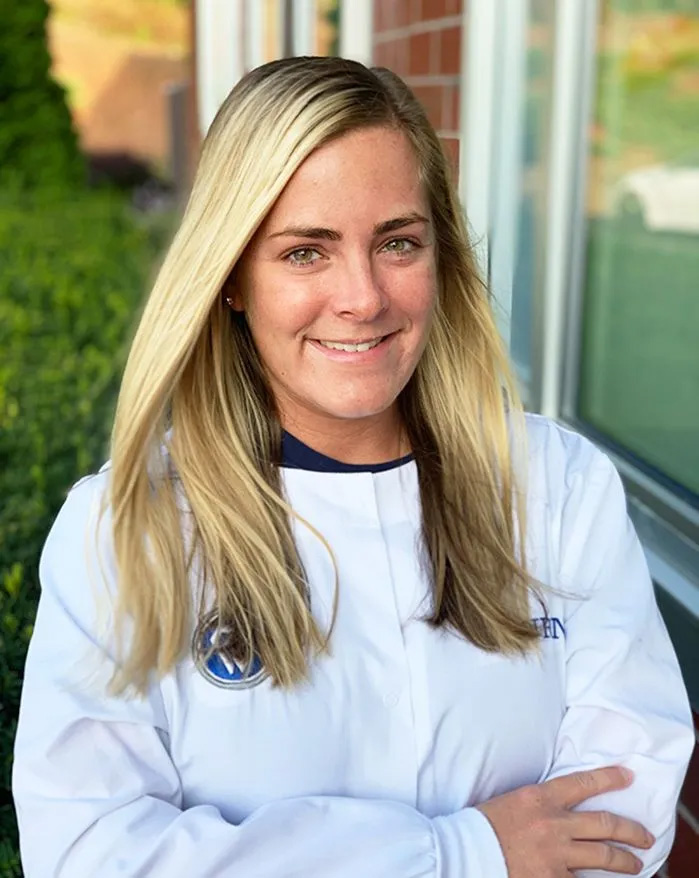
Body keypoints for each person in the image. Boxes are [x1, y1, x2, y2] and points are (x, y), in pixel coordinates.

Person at [12, 56, 693, 878]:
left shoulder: (556, 487)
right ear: (232, 278)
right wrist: (465, 855)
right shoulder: (126, 530)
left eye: (397, 242)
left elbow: (624, 813)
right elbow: (91, 853)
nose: (363, 297)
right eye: (305, 252)